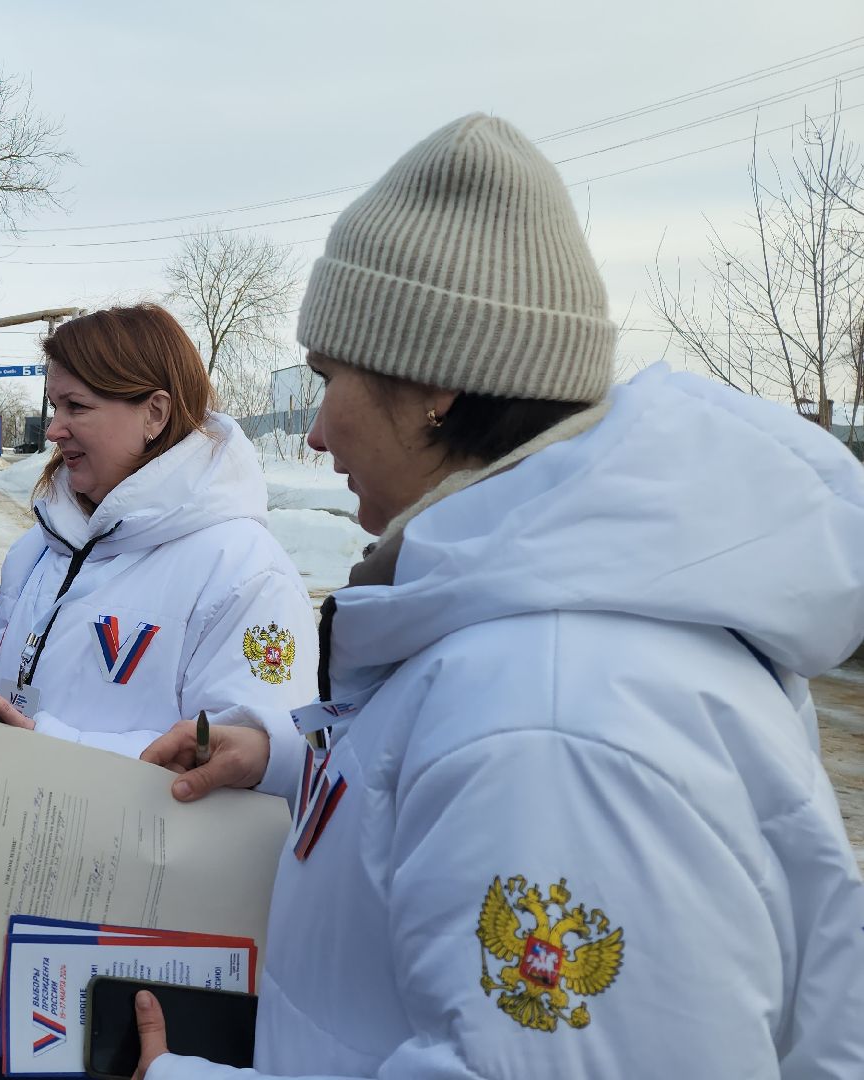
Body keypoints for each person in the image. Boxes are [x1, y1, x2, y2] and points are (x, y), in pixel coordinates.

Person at [131, 114, 864, 1079]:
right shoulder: (526, 639)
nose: (314, 433)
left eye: (329, 376)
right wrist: (283, 766)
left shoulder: (551, 724)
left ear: (433, 381)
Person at [0, 303, 318, 1079]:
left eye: (76, 407)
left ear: (155, 413)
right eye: (53, 406)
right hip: (9, 909)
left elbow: (254, 769)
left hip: (131, 953)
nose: (52, 429)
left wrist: (43, 750)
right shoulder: (38, 549)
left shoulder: (241, 569)